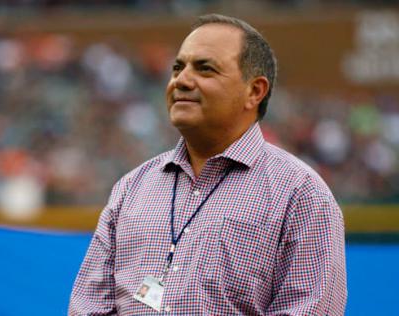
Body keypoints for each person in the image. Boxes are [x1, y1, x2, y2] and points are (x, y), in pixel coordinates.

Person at [69, 13, 347, 315]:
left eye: (205, 69)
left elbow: (308, 309)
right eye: (178, 67)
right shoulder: (131, 187)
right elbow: (89, 307)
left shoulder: (301, 194)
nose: (182, 80)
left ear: (254, 91)